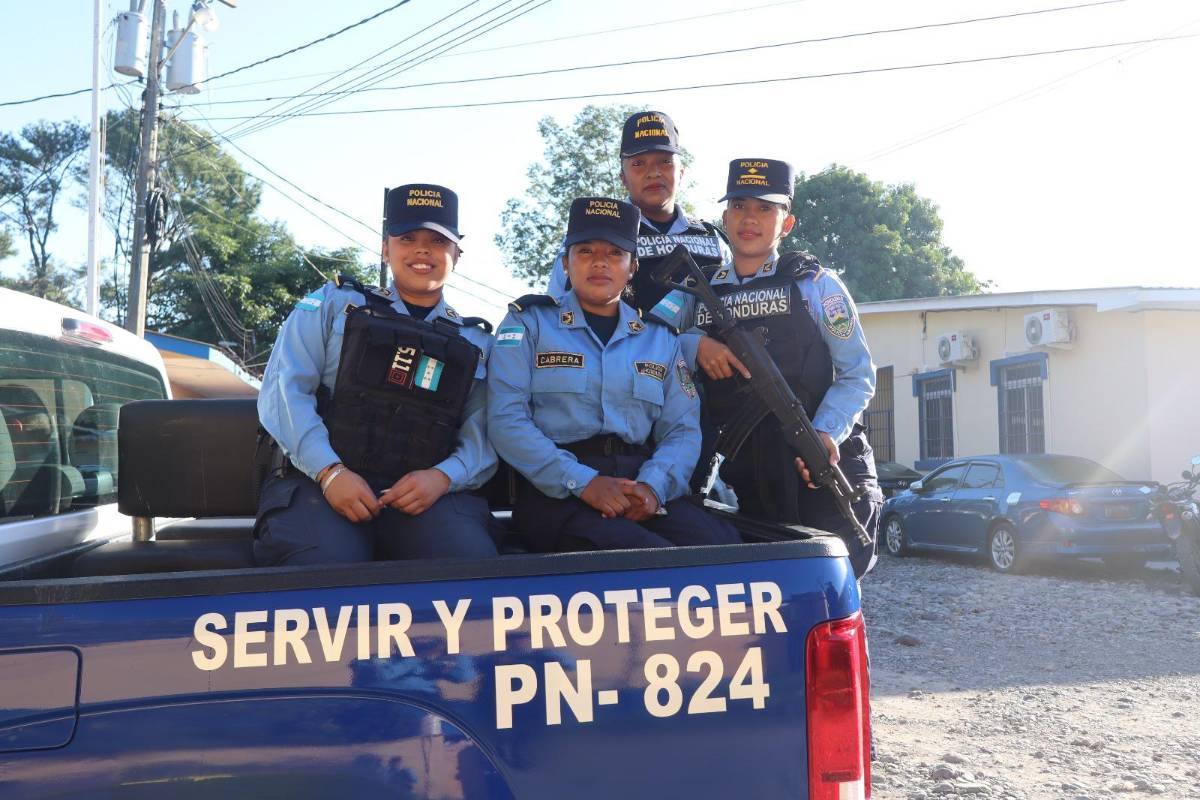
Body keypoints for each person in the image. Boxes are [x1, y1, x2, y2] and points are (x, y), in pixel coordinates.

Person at [651, 158, 882, 577]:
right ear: (724, 217)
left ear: (787, 222)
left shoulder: (815, 285)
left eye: (764, 208)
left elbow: (858, 374)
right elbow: (646, 342)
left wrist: (826, 432)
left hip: (819, 464)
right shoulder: (695, 290)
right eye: (739, 206)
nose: (749, 219)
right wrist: (693, 343)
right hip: (750, 477)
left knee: (831, 592)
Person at [254, 183, 499, 565]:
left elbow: (483, 431)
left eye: (437, 241)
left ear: (457, 255)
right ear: (386, 249)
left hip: (427, 496)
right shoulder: (332, 304)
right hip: (318, 484)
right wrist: (330, 472)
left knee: (468, 564)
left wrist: (444, 477)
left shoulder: (477, 341)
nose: (422, 250)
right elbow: (285, 393)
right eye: (407, 238)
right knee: (323, 567)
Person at [488, 196, 740, 552]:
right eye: (586, 251)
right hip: (556, 492)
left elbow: (682, 430)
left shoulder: (659, 338)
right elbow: (505, 420)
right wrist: (584, 482)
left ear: (632, 266)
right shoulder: (528, 324)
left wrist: (653, 488)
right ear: (565, 263)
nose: (599, 263)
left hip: (641, 483)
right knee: (644, 557)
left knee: (724, 547)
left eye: (614, 253)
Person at [546, 110, 731, 314]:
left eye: (665, 161)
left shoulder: (713, 240)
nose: (653, 172)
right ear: (622, 177)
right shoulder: (588, 238)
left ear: (681, 172)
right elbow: (556, 317)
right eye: (638, 164)